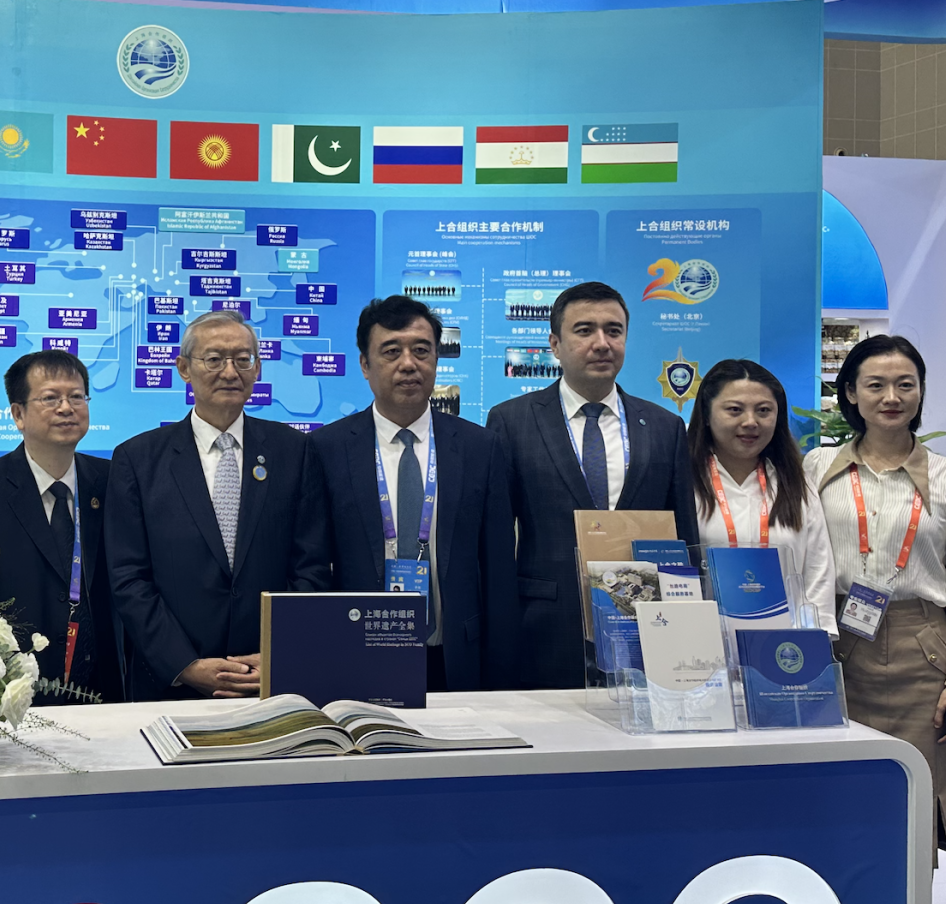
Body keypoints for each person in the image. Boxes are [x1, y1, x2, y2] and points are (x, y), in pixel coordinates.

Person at [804, 334, 946, 866]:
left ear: (921, 391)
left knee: (916, 798)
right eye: (876, 385)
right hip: (838, 647)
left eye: (905, 384)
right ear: (850, 393)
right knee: (843, 792)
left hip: (922, 650)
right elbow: (802, 560)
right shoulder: (817, 467)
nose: (892, 397)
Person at [107, 310, 332, 700]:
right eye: (214, 359)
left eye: (243, 359)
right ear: (184, 368)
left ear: (257, 369)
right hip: (172, 684)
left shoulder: (293, 451)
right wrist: (185, 665)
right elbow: (129, 577)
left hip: (269, 680)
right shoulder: (138, 459)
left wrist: (277, 653)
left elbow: (311, 567)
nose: (230, 372)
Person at [485, 280, 698, 688]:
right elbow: (494, 539)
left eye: (613, 331)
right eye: (584, 330)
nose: (602, 343)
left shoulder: (664, 427)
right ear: (555, 344)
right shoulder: (512, 421)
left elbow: (683, 536)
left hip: (647, 627)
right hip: (545, 628)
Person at [312, 296, 519, 691]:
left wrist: (503, 676)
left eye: (421, 351)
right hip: (356, 653)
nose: (408, 364)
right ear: (365, 364)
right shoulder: (327, 449)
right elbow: (314, 566)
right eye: (391, 351)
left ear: (437, 359)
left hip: (454, 658)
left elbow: (497, 570)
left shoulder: (479, 447)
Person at [0, 351, 123, 701]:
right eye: (51, 398)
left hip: (108, 688)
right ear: (18, 414)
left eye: (77, 396)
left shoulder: (112, 481)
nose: (66, 408)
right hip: (14, 693)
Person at [687, 358, 835, 627]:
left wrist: (815, 638)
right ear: (706, 415)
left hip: (785, 642)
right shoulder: (684, 482)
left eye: (764, 410)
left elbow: (818, 572)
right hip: (704, 638)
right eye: (735, 410)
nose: (751, 422)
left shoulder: (795, 483)